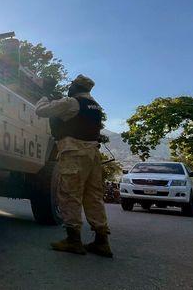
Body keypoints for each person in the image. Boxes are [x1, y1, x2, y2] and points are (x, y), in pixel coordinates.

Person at [35, 74, 112, 258]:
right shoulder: (95, 107)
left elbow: (41, 111)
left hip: (74, 152)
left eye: (71, 85)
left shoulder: (72, 102)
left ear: (76, 87)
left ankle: (73, 240)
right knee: (93, 196)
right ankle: (102, 241)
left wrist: (45, 94)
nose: (69, 88)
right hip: (93, 155)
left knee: (70, 194)